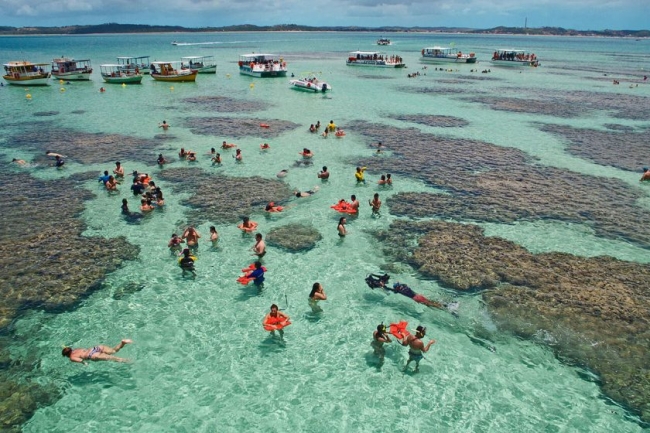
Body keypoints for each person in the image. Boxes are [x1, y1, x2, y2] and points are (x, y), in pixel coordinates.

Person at [62, 339, 133, 364]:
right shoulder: (76, 349)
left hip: (92, 355)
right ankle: (123, 342)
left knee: (113, 358)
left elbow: (80, 360)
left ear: (66, 355)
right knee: (113, 351)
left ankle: (130, 361)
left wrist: (85, 363)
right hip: (95, 348)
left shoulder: (72, 357)